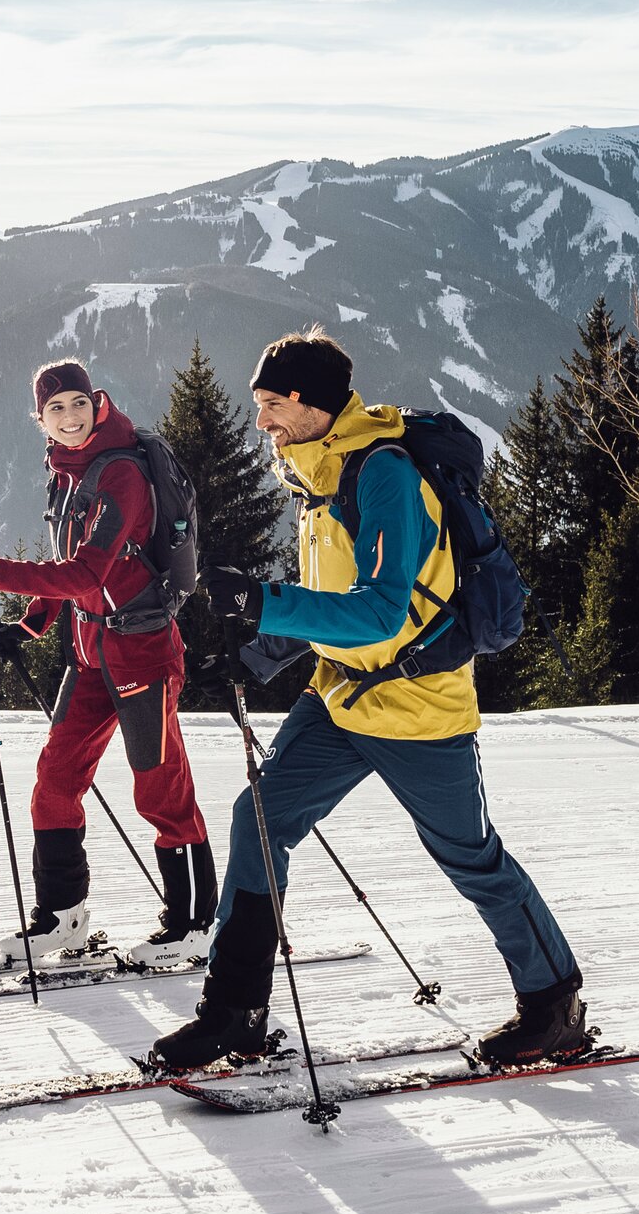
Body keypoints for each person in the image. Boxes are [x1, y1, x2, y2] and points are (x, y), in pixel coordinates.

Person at [150, 329, 590, 1071]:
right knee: (259, 819)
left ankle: (555, 1007)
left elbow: (382, 612)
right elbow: (330, 598)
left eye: (269, 406)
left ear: (308, 401)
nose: (261, 424)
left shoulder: (380, 473)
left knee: (471, 859)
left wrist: (265, 601)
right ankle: (235, 1013)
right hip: (342, 698)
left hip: (418, 708)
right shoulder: (317, 473)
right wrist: (262, 641)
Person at [0, 360, 215, 969]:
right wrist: (31, 625)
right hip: (91, 651)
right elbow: (73, 565)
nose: (69, 418)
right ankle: (63, 918)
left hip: (143, 648)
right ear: (38, 419)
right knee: (55, 782)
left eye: (76, 404)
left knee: (160, 787)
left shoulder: (120, 471)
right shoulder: (66, 473)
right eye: (54, 409)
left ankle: (195, 923)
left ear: (97, 401)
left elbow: (91, 572)